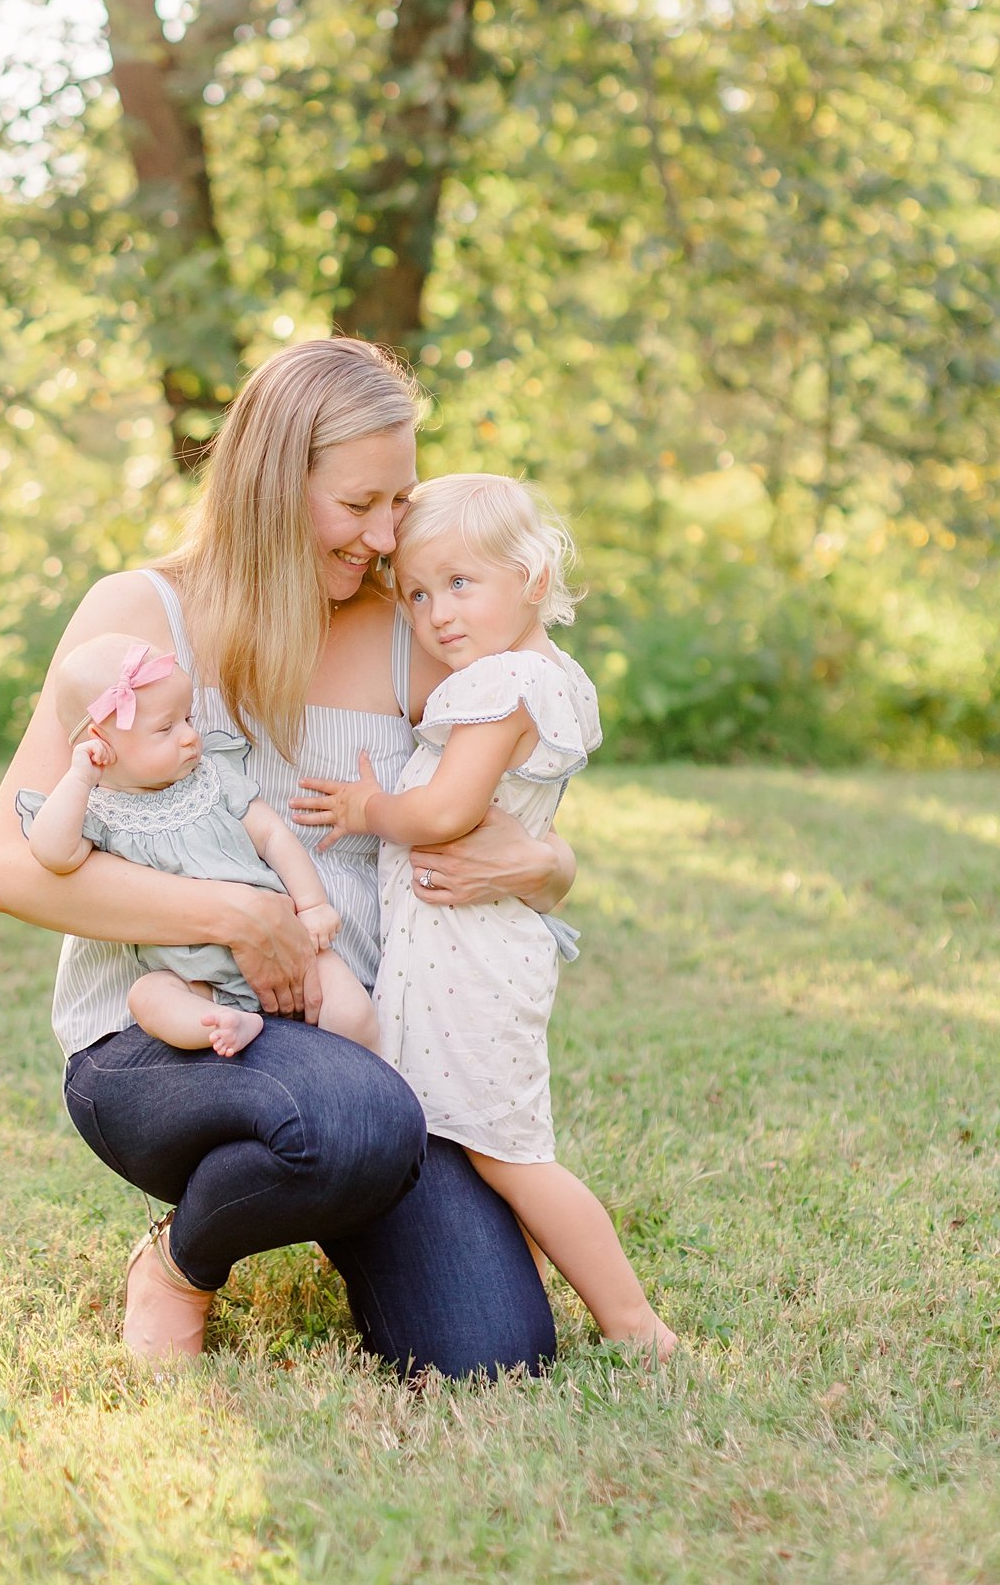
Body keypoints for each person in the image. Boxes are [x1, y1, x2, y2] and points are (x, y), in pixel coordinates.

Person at [0, 337, 575, 1371]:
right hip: (165, 1036)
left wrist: (549, 868)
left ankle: (345, 1177)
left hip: (373, 1041)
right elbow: (11, 869)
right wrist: (231, 916)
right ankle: (179, 1263)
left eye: (402, 501)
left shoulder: (409, 633)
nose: (387, 536)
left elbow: (511, 792)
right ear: (270, 480)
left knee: (492, 1351)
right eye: (359, 505)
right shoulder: (137, 620)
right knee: (351, 1116)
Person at [300, 473, 677, 1360]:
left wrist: (366, 809)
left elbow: (443, 814)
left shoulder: (497, 684)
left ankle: (634, 1323)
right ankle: (517, 1278)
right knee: (473, 1138)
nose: (436, 614)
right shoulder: (554, 678)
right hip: (485, 940)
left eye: (461, 584)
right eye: (420, 592)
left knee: (508, 1151)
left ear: (534, 577)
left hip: (463, 952)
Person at [22, 630, 377, 1056]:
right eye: (166, 728)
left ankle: (364, 1070)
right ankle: (228, 1023)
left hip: (286, 943)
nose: (190, 736)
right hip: (195, 979)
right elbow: (52, 854)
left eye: (188, 719)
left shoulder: (212, 778)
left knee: (353, 1013)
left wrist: (314, 905)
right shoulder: (101, 813)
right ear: (101, 742)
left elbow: (272, 836)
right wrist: (80, 777)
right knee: (150, 997)